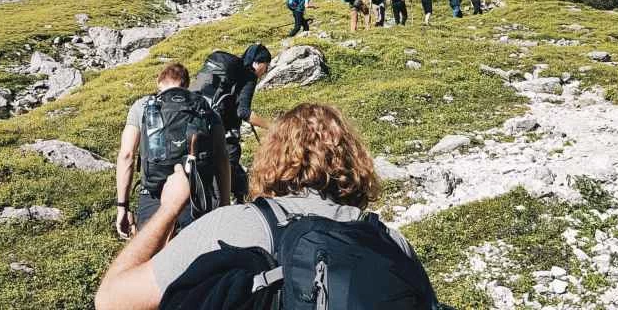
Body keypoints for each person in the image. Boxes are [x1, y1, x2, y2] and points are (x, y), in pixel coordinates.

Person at [95, 103, 439, 310]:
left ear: (272, 156)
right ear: (354, 161)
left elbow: (111, 301)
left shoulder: (238, 225)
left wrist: (169, 209)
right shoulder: (391, 242)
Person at [115, 64, 230, 239]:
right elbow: (222, 156)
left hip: (154, 193)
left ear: (159, 82)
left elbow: (127, 156)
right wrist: (224, 203)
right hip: (195, 195)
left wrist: (122, 206)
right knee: (196, 256)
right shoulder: (203, 106)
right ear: (186, 84)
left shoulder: (143, 106)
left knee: (150, 255)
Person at [191, 45, 273, 204]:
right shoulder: (249, 76)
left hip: (202, 127)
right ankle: (240, 207)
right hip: (226, 136)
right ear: (258, 63)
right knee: (229, 172)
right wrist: (273, 126)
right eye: (266, 66)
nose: (266, 71)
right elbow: (243, 112)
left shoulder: (229, 75)